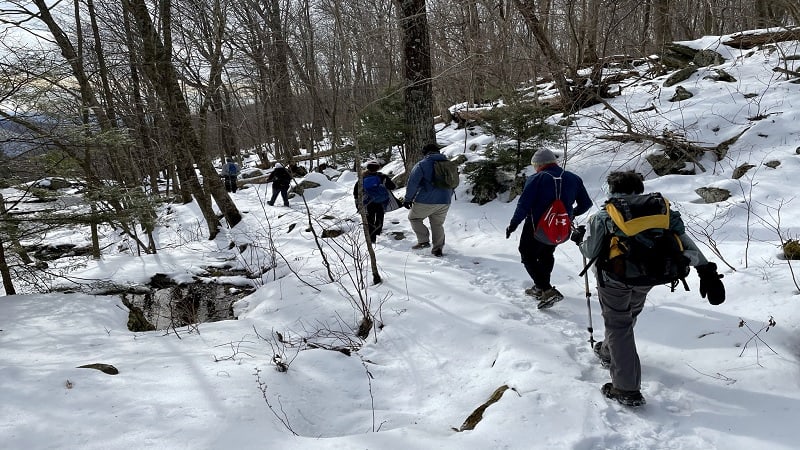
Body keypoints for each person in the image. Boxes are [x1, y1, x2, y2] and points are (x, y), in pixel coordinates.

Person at [576, 170, 725, 407]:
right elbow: (684, 240)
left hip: (615, 279)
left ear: (612, 190)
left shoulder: (605, 215)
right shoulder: (662, 211)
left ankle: (626, 388)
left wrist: (578, 239)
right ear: (640, 190)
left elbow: (591, 252)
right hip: (652, 276)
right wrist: (705, 270)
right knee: (629, 314)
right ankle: (608, 351)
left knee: (618, 323)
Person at [505, 148, 592, 308]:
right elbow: (586, 204)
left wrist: (513, 224)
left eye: (534, 165)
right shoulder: (573, 178)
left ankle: (546, 289)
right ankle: (541, 287)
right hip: (560, 226)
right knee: (546, 253)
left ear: (539, 164)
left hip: (536, 225)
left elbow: (524, 205)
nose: (534, 169)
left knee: (527, 254)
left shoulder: (536, 178)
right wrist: (570, 215)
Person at [404, 143, 455, 257]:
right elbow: (454, 182)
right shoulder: (449, 164)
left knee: (414, 218)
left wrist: (408, 199)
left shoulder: (422, 164)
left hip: (426, 200)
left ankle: (423, 241)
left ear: (425, 153)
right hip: (445, 200)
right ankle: (438, 249)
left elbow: (413, 183)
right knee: (437, 224)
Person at [353, 160, 397, 243]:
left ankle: (372, 238)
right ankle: (378, 231)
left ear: (368, 168)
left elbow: (356, 192)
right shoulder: (382, 176)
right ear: (378, 168)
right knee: (380, 216)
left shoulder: (362, 178)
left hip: (368, 202)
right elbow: (392, 186)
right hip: (381, 201)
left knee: (370, 218)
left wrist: (358, 203)